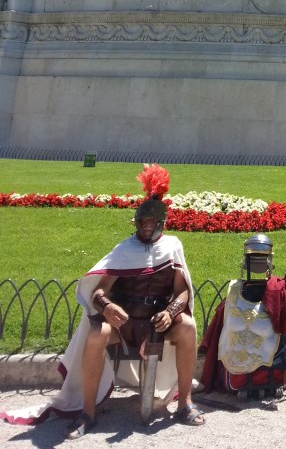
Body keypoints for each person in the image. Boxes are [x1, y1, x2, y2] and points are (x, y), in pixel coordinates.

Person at [0, 165, 204, 435]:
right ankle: (88, 412)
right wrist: (108, 307)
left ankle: (185, 404)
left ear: (160, 223)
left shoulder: (173, 247)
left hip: (158, 322)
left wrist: (172, 310)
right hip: (124, 322)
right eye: (142, 222)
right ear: (136, 222)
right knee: (97, 335)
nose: (146, 227)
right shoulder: (124, 249)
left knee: (188, 327)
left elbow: (183, 290)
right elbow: (98, 292)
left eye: (151, 223)